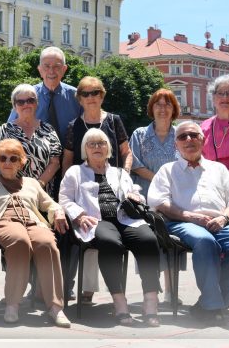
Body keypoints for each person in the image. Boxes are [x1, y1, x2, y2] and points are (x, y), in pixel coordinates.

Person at [59, 128, 161, 327]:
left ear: (108, 149)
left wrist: (135, 196)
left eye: (101, 143)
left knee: (149, 240)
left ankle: (150, 301)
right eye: (92, 144)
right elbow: (64, 198)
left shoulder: (119, 172)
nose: (97, 147)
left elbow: (134, 192)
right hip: (96, 221)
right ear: (85, 149)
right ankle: (119, 302)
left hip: (124, 218)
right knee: (109, 242)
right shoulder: (75, 172)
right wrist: (78, 215)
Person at [0, 138, 71, 327]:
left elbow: (50, 203)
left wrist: (58, 210)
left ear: (22, 162)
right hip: (5, 221)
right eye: (3, 158)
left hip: (33, 222)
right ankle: (12, 304)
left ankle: (56, 307)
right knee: (20, 241)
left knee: (47, 243)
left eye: (13, 158)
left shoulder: (32, 183)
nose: (8, 162)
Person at [148, 120, 229, 325]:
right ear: (176, 144)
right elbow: (159, 202)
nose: (188, 139)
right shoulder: (167, 170)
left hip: (221, 222)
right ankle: (213, 306)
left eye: (193, 135)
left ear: (203, 139)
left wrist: (224, 217)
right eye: (182, 136)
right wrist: (190, 216)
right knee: (205, 241)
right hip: (182, 221)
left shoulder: (219, 169)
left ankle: (209, 304)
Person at [129, 88, 181, 305]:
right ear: (151, 108)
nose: (162, 108)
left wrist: (168, 185)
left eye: (167, 104)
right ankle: (150, 290)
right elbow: (136, 165)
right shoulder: (139, 134)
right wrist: (161, 180)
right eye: (158, 104)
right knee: (149, 241)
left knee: (172, 242)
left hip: (174, 197)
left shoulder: (181, 134)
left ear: (174, 109)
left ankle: (171, 291)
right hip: (147, 198)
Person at [8, 47, 81, 157]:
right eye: (46, 66)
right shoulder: (26, 96)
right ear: (40, 70)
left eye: (57, 66)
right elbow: (10, 131)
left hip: (70, 162)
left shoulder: (77, 97)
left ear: (64, 69)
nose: (51, 71)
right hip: (33, 163)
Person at [0, 83, 62, 195]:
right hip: (12, 193)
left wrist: (37, 186)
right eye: (20, 102)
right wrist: (18, 189)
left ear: (36, 103)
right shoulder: (6, 129)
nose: (26, 104)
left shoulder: (48, 129)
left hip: (42, 194)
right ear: (14, 106)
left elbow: (55, 163)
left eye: (30, 100)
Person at [62, 76, 132, 176]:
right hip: (83, 186)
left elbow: (126, 152)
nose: (90, 97)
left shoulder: (114, 121)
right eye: (85, 94)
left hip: (113, 184)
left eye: (95, 93)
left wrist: (125, 173)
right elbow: (67, 161)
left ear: (102, 97)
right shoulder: (73, 127)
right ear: (80, 100)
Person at [201, 74, 229, 184]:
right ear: (213, 98)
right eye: (220, 93)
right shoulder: (204, 126)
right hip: (213, 187)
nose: (225, 97)